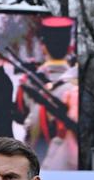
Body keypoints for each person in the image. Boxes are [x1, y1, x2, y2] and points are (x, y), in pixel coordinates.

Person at [15, 17, 79, 170]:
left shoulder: (27, 82)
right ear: (70, 48)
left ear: (43, 47)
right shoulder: (78, 81)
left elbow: (20, 115)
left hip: (37, 159)